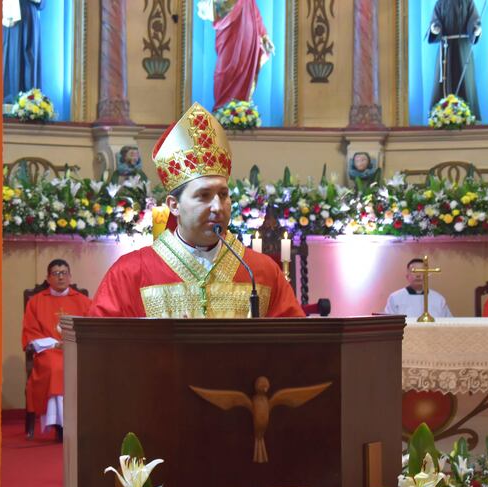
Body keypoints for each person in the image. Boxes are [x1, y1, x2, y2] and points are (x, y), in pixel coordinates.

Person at [89, 102, 304, 318]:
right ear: (174, 205)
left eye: (223, 194)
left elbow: (297, 344)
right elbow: (100, 345)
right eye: (203, 196)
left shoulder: (262, 272)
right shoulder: (130, 273)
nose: (217, 207)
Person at [22, 259, 92, 440]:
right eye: (55, 273)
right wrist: (55, 344)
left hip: (77, 350)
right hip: (49, 350)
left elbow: (91, 329)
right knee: (56, 366)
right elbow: (30, 332)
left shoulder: (84, 301)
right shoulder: (36, 302)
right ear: (48, 277)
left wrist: (73, 342)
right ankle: (60, 424)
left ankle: (82, 422)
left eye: (63, 273)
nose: (60, 277)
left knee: (80, 365)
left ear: (70, 276)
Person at [198, 0, 274, 111]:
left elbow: (257, 17)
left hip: (247, 42)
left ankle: (240, 111)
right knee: (224, 72)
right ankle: (222, 110)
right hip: (227, 37)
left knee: (245, 72)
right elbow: (211, 8)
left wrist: (265, 36)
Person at [428, 0, 482, 120]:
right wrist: (435, 29)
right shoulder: (440, 3)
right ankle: (441, 117)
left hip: (463, 49)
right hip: (446, 49)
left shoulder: (468, 2)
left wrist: (476, 30)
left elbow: (474, 21)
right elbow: (435, 22)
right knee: (443, 83)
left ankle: (467, 116)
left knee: (465, 82)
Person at [3, 0, 44, 104]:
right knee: (8, 59)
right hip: (6, 14)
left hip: (27, 15)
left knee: (28, 59)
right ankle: (7, 102)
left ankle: (28, 106)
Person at [384, 258, 453, 318]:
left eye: (421, 271)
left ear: (427, 276)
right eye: (415, 271)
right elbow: (389, 323)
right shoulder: (395, 298)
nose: (418, 275)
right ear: (407, 276)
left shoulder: (438, 299)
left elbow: (448, 323)